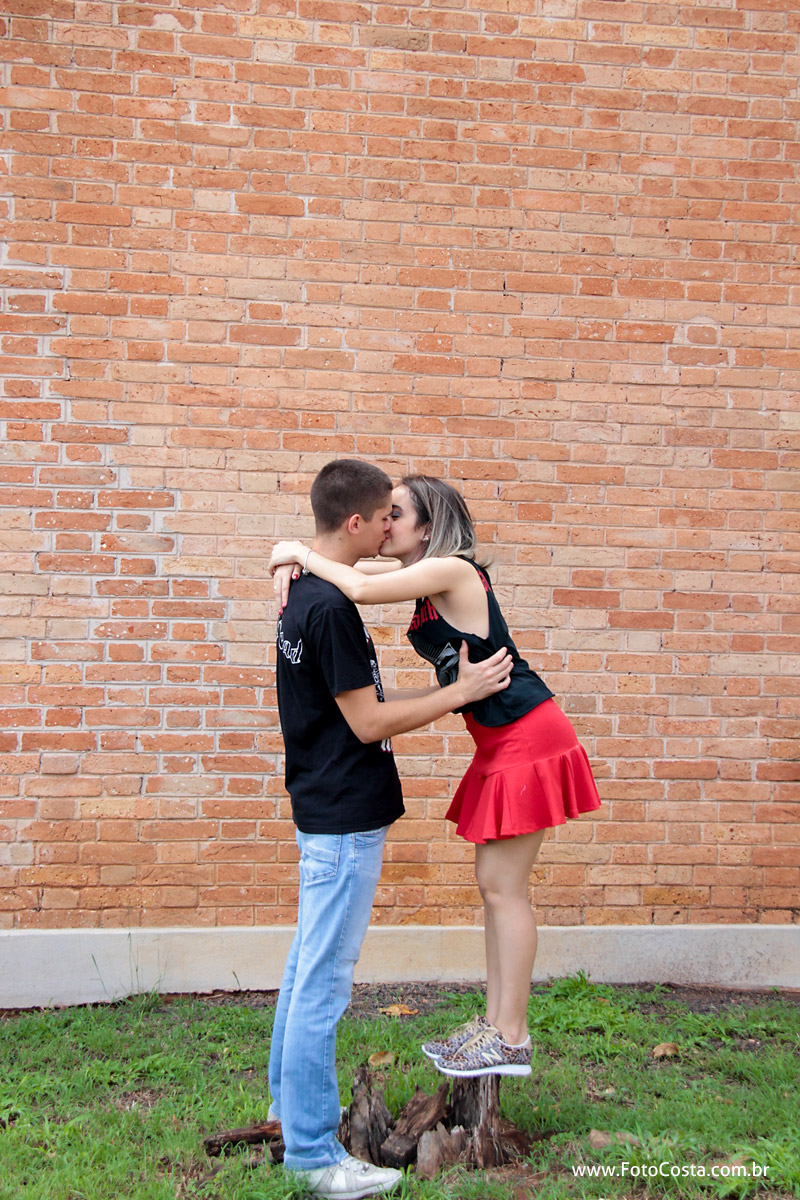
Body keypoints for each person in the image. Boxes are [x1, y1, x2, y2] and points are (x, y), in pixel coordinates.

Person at [269, 474, 602, 1081]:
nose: (383, 522)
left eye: (396, 513)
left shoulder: (452, 569)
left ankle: (512, 1035)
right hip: (502, 738)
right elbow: (356, 587)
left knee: (505, 889)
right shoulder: (427, 588)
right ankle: (495, 1025)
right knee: (493, 886)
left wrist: (295, 553)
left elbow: (357, 587)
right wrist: (290, 562)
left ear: (429, 525)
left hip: (527, 731)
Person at [267, 460, 513, 1199]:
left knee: (304, 970)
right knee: (322, 982)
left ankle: (289, 1113)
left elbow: (365, 703)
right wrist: (461, 693)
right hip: (342, 816)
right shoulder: (331, 608)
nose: (389, 528)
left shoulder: (304, 595)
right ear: (354, 523)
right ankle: (313, 1156)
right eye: (384, 517)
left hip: (327, 805)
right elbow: (369, 720)